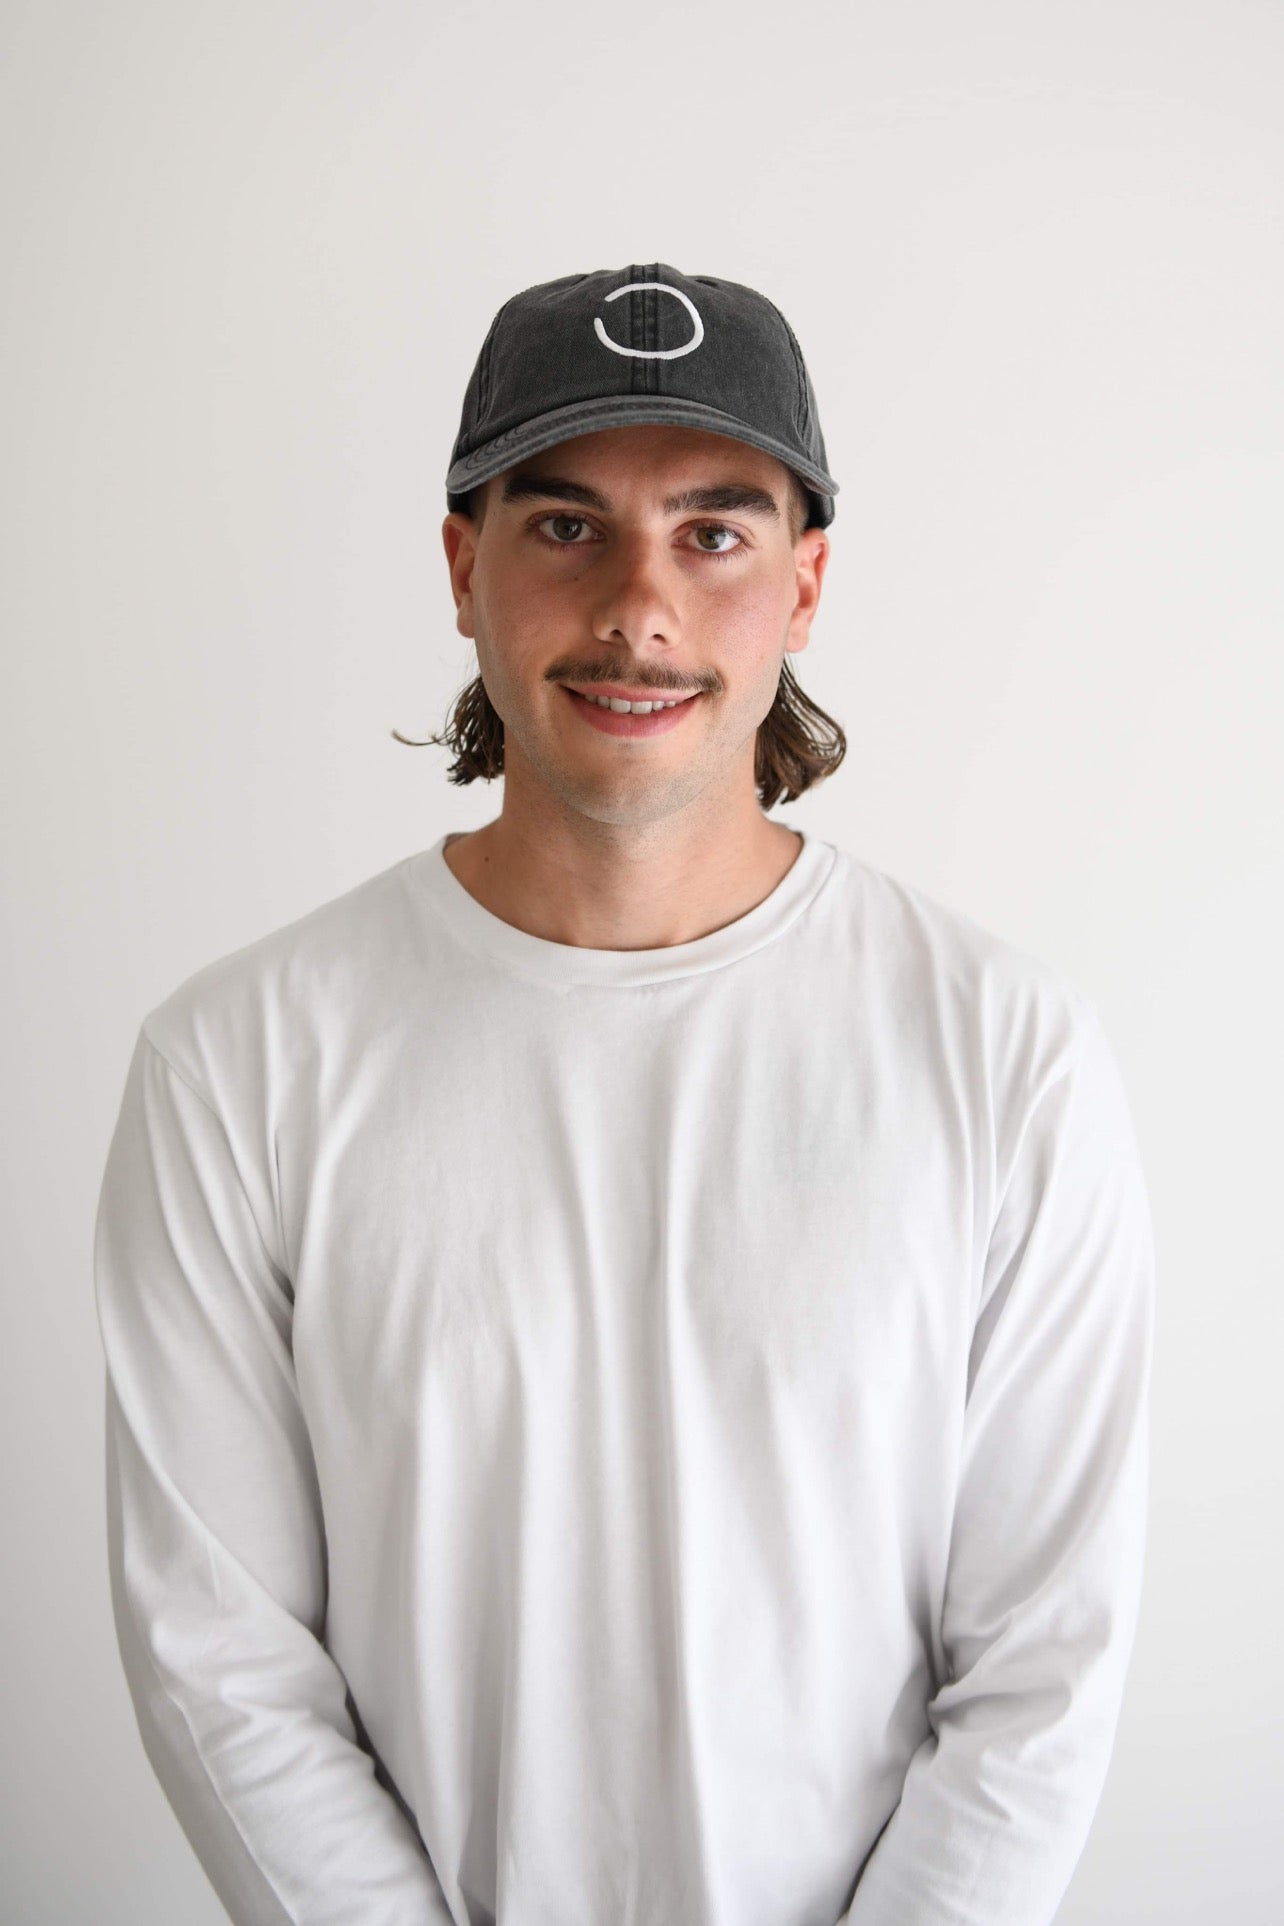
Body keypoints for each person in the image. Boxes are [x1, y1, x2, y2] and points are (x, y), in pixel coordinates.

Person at [93, 263, 1155, 1926]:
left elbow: (1043, 1670)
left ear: (806, 582)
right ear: (465, 567)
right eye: (566, 526)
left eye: (713, 532)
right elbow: (221, 1663)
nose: (639, 606)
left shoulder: (1006, 1054)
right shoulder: (238, 1064)